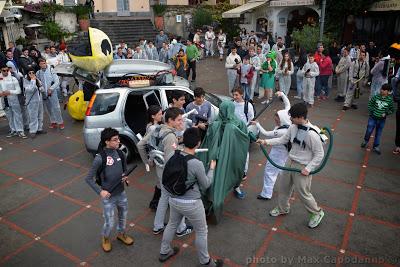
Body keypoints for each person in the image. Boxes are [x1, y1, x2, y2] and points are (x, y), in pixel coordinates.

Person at [159, 128, 222, 267]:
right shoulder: (196, 163)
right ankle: (206, 261)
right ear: (198, 143)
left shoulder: (174, 156)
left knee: (172, 224)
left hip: (173, 199)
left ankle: (164, 251)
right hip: (192, 203)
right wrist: (212, 169)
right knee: (201, 231)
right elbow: (205, 184)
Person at [257, 102, 325, 229]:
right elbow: (283, 140)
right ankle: (283, 208)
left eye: (292, 117)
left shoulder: (312, 134)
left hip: (303, 166)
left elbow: (319, 154)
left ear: (300, 117)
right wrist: (265, 141)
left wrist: (308, 168)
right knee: (283, 187)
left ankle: (317, 213)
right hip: (290, 161)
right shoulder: (293, 127)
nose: (290, 119)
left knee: (303, 193)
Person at [137, 107, 193, 237]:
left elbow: (140, 145)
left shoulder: (157, 129)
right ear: (170, 120)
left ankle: (158, 226)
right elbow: (170, 160)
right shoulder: (170, 137)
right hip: (170, 174)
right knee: (178, 199)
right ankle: (181, 228)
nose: (181, 122)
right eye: (179, 120)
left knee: (164, 197)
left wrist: (147, 162)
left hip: (159, 170)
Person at [85, 128, 134, 252]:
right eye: (115, 140)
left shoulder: (121, 154)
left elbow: (123, 171)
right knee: (109, 222)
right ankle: (105, 238)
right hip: (108, 197)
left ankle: (121, 234)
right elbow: (89, 178)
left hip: (121, 193)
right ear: (107, 142)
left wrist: (125, 178)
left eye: (118, 139)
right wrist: (100, 191)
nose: (119, 142)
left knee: (123, 216)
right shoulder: (100, 158)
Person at [251, 91, 291, 200]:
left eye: (277, 120)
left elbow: (266, 133)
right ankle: (287, 191)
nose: (275, 121)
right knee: (284, 172)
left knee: (270, 172)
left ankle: (266, 194)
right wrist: (282, 94)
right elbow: (288, 105)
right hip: (286, 153)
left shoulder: (282, 131)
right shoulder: (288, 117)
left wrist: (257, 124)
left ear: (281, 119)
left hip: (278, 153)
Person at [361, 83, 394, 155]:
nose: (382, 90)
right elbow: (370, 104)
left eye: (384, 90)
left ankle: (376, 146)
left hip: (382, 120)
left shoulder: (390, 100)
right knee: (369, 129)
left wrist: (386, 113)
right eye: (381, 89)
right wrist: (372, 111)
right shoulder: (376, 97)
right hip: (373, 117)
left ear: (388, 92)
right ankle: (366, 141)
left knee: (378, 133)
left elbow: (392, 109)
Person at [233, 87, 254, 185]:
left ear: (242, 94)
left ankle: (243, 172)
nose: (234, 97)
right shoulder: (231, 104)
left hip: (244, 132)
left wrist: (246, 130)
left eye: (236, 95)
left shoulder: (248, 105)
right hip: (233, 132)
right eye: (233, 95)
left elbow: (251, 120)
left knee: (244, 153)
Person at [36, 58, 64, 129]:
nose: (43, 65)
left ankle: (60, 122)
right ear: (39, 65)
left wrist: (51, 89)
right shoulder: (38, 73)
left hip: (52, 92)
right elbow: (38, 82)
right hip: (44, 93)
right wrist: (41, 89)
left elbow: (57, 81)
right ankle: (53, 121)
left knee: (56, 107)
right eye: (41, 64)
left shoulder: (51, 70)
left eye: (44, 63)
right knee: (48, 108)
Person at [145, 105, 164, 210]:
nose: (162, 115)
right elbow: (152, 145)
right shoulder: (153, 128)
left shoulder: (150, 125)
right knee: (161, 182)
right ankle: (156, 203)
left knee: (160, 182)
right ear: (153, 116)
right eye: (160, 114)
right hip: (158, 157)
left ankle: (155, 202)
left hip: (157, 157)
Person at [0, 64, 27, 138]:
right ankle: (13, 130)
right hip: (4, 101)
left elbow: (18, 90)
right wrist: (1, 94)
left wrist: (10, 92)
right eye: (4, 70)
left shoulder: (13, 78)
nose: (6, 72)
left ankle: (20, 131)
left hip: (14, 100)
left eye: (7, 70)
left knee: (17, 115)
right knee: (9, 117)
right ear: (1, 70)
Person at [23, 68, 46, 138]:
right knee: (33, 116)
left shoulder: (37, 80)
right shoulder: (25, 81)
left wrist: (40, 87)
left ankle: (39, 128)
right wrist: (33, 80)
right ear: (27, 74)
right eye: (30, 73)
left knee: (40, 115)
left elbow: (42, 89)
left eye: (33, 72)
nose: (32, 74)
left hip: (39, 100)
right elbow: (30, 89)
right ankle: (33, 131)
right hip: (32, 102)